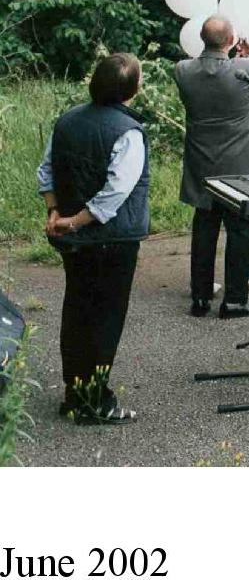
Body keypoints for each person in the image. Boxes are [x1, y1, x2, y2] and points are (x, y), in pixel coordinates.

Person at [37, 53, 148, 424]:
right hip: (111, 241)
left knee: (78, 311)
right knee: (104, 317)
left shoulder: (68, 119)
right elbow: (115, 193)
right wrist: (73, 221)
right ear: (132, 89)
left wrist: (55, 213)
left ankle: (75, 393)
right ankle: (95, 401)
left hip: (75, 239)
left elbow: (46, 169)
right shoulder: (128, 131)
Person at [176, 15, 249, 318]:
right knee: (239, 229)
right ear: (232, 40)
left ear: (201, 39)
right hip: (240, 163)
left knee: (204, 227)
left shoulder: (182, 71)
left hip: (201, 162)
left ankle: (200, 296)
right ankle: (234, 300)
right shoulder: (244, 69)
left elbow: (206, 70)